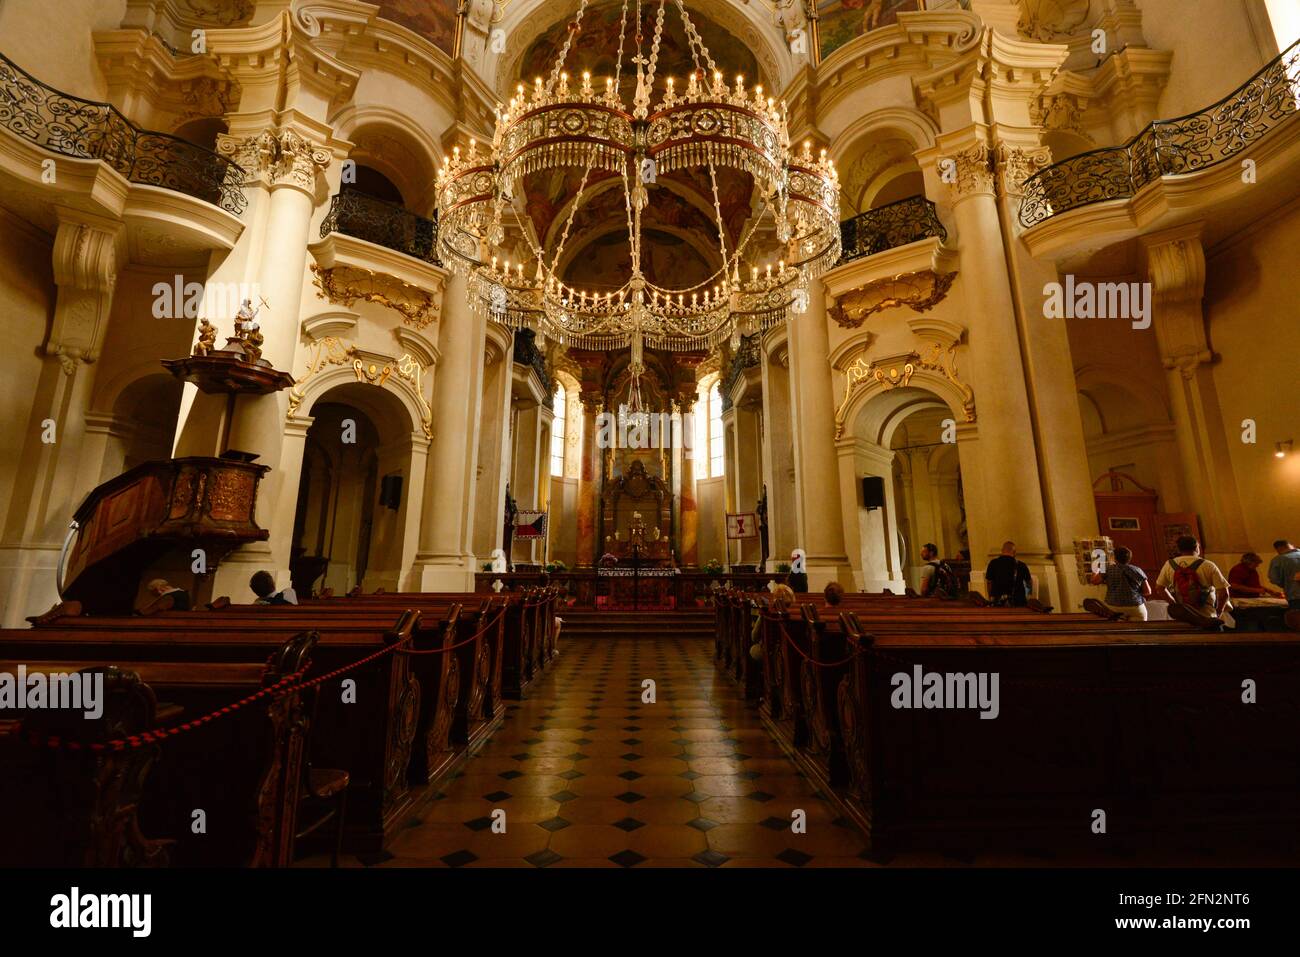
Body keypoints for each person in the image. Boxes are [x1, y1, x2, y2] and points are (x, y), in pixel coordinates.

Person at [1155, 535, 1230, 618]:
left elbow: (1159, 588)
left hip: (1183, 614)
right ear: (1196, 547)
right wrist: (1219, 611)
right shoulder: (1208, 565)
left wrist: (1174, 603)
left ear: (1179, 549)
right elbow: (1224, 593)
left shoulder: (1169, 565)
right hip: (1206, 614)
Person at [1086, 546, 1151, 620]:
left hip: (1114, 608)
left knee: (1118, 630)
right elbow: (1148, 592)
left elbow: (1094, 581)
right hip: (1135, 607)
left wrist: (1096, 569)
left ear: (1114, 557)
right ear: (1129, 558)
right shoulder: (1137, 570)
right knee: (1139, 630)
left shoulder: (1108, 569)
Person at [985, 541, 1033, 607]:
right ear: (1014, 552)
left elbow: (989, 582)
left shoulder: (993, 563)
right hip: (1018, 603)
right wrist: (1028, 596)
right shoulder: (1022, 565)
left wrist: (991, 597)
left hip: (998, 602)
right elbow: (1029, 582)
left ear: (1002, 551)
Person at [1267, 540, 1300, 610]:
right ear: (1291, 545)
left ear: (1278, 549)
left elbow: (1274, 579)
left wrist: (1286, 583)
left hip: (1295, 596)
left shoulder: (1278, 560)